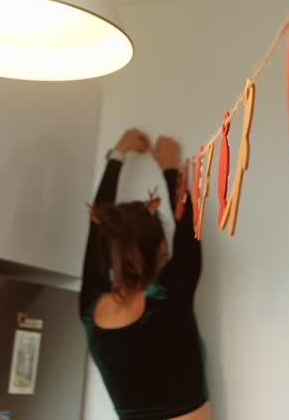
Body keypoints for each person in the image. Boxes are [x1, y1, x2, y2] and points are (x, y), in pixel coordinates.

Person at [81, 128, 210, 420]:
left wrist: (118, 156)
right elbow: (190, 233)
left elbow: (96, 229)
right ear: (163, 247)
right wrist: (169, 168)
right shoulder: (169, 298)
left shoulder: (91, 308)